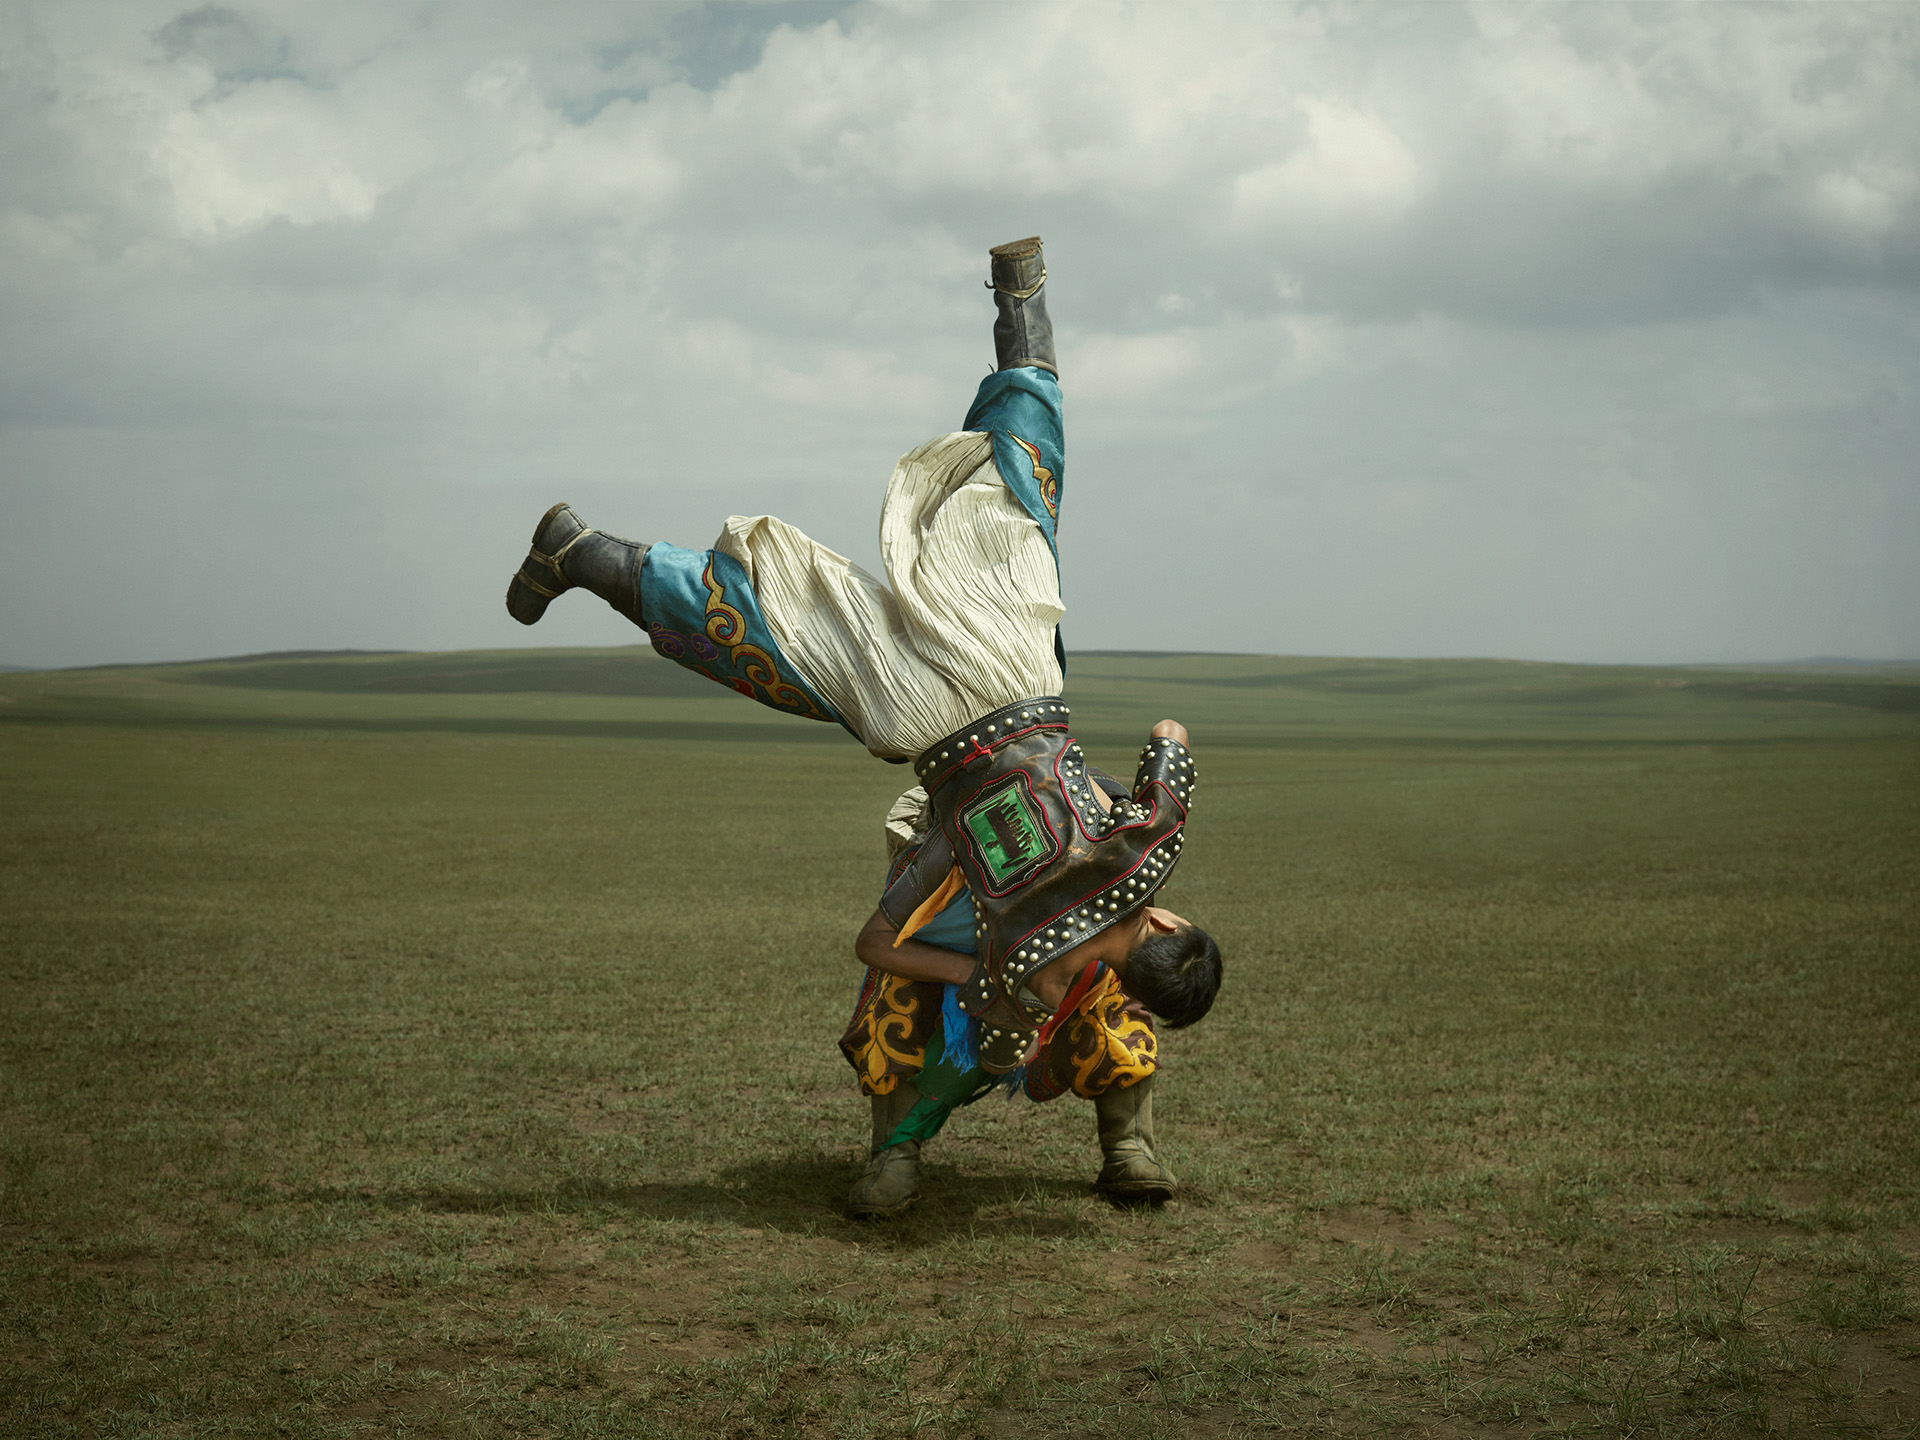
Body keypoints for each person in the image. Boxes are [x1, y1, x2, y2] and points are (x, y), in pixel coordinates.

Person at [505, 235, 1223, 1210]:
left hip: (1014, 672)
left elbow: (1172, 734)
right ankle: (586, 553)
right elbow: (962, 1009)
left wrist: (1127, 804)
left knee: (1020, 488)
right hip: (922, 726)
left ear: (1170, 923)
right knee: (778, 638)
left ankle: (1023, 303)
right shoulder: (1025, 958)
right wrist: (1006, 981)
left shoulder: (1148, 850)